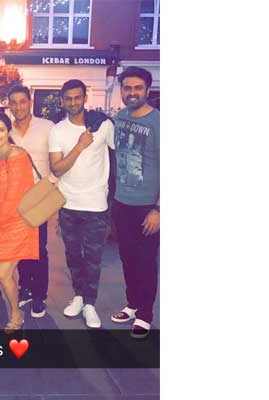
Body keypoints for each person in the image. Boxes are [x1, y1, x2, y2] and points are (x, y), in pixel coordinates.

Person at [49, 79, 115, 329]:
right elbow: (57, 168)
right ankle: (78, 296)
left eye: (77, 97)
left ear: (85, 98)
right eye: (68, 98)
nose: (73, 102)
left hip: (96, 203)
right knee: (73, 255)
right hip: (68, 203)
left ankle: (90, 304)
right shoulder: (57, 131)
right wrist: (79, 146)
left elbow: (119, 153)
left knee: (93, 258)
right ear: (62, 101)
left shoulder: (103, 125)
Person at [0, 112, 38, 334]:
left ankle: (16, 314)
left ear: (9, 132)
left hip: (17, 224)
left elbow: (15, 196)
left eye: (1, 129)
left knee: (4, 274)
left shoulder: (17, 155)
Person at [109, 67, 160, 339]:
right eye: (127, 88)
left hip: (147, 206)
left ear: (147, 91)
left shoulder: (159, 123)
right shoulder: (120, 118)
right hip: (122, 203)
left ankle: (145, 314)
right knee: (127, 258)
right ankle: (132, 304)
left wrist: (159, 209)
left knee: (146, 261)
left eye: (137, 88)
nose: (131, 92)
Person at [8, 85, 55, 318]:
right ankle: (25, 287)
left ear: (30, 102)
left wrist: (51, 184)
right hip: (14, 198)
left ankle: (39, 295)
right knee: (20, 246)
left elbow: (57, 158)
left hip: (39, 196)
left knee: (38, 247)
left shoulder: (47, 127)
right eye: (14, 102)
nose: (18, 106)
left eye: (22, 101)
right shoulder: (6, 130)